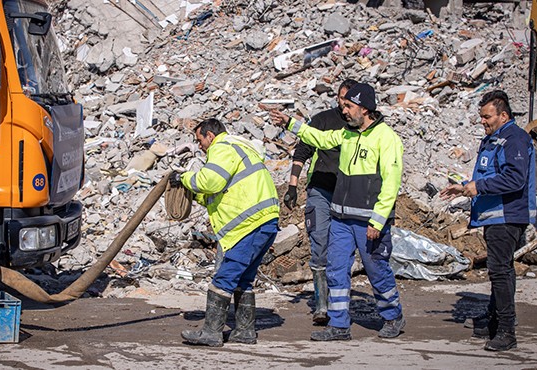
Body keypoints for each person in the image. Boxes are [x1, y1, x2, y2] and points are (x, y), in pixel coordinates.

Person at [270, 83, 405, 340]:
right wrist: (291, 123)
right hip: (342, 218)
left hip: (368, 222)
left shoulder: (386, 138)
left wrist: (377, 222)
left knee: (376, 269)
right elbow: (319, 139)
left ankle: (393, 316)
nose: (344, 111)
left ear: (365, 109)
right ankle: (339, 325)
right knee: (335, 269)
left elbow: (391, 183)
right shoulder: (346, 134)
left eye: (349, 107)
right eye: (343, 106)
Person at [440, 90, 536, 352]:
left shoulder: (514, 139)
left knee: (500, 270)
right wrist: (464, 187)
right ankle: (495, 320)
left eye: (487, 116)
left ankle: (506, 330)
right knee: (500, 269)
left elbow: (515, 179)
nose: (483, 121)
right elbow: (491, 175)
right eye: (481, 116)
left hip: (507, 215)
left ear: (503, 115)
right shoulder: (495, 139)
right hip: (494, 216)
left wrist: (478, 187)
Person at [172, 118, 279, 347]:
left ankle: (211, 332)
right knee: (243, 279)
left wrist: (184, 178)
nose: (199, 145)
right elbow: (218, 192)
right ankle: (244, 331)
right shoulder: (238, 147)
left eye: (200, 140)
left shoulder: (222, 147)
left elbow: (210, 181)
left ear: (210, 136)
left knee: (225, 277)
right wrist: (195, 195)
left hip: (249, 224)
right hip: (264, 221)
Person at [284, 78, 357, 325]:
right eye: (340, 99)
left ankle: (339, 302)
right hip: (321, 191)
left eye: (348, 100)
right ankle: (322, 305)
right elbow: (302, 151)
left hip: (348, 193)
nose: (343, 105)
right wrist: (292, 186)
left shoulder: (360, 126)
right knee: (320, 242)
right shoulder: (323, 120)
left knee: (343, 248)